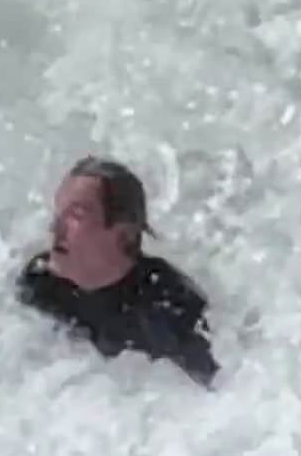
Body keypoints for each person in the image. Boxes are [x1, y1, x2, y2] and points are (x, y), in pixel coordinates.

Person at [15, 155, 221, 389]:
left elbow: (220, 393)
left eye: (76, 215)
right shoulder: (40, 284)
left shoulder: (171, 309)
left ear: (124, 233)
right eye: (58, 212)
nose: (55, 228)